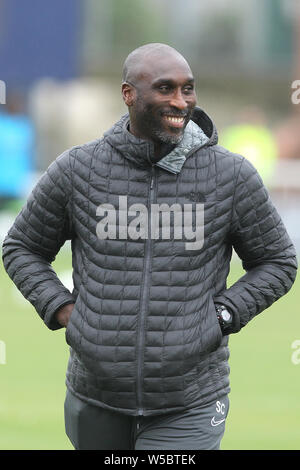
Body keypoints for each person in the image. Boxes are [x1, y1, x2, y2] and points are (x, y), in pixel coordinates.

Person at [2, 43, 297, 451]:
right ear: (129, 94)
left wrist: (223, 315)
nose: (181, 101)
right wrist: (65, 310)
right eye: (166, 89)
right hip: (95, 396)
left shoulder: (230, 176)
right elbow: (21, 247)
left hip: (190, 399)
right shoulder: (78, 170)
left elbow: (278, 262)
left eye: (188, 89)